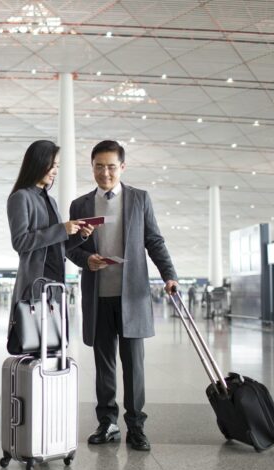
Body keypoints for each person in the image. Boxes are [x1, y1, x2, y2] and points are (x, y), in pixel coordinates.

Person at [66, 140, 179, 452]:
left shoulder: (139, 200)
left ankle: (137, 426)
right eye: (99, 166)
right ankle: (108, 423)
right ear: (92, 168)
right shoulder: (80, 205)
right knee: (104, 365)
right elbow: (71, 248)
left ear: (122, 167)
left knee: (134, 365)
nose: (105, 173)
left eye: (111, 167)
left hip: (131, 296)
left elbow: (154, 240)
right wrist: (85, 260)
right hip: (98, 295)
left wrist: (169, 274)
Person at [6, 140, 93, 325]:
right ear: (37, 163)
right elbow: (20, 242)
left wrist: (80, 235)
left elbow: (57, 244)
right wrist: (61, 229)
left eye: (57, 166)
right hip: (35, 282)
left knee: (55, 343)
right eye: (51, 165)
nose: (55, 171)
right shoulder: (20, 197)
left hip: (56, 283)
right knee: (36, 340)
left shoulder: (50, 201)